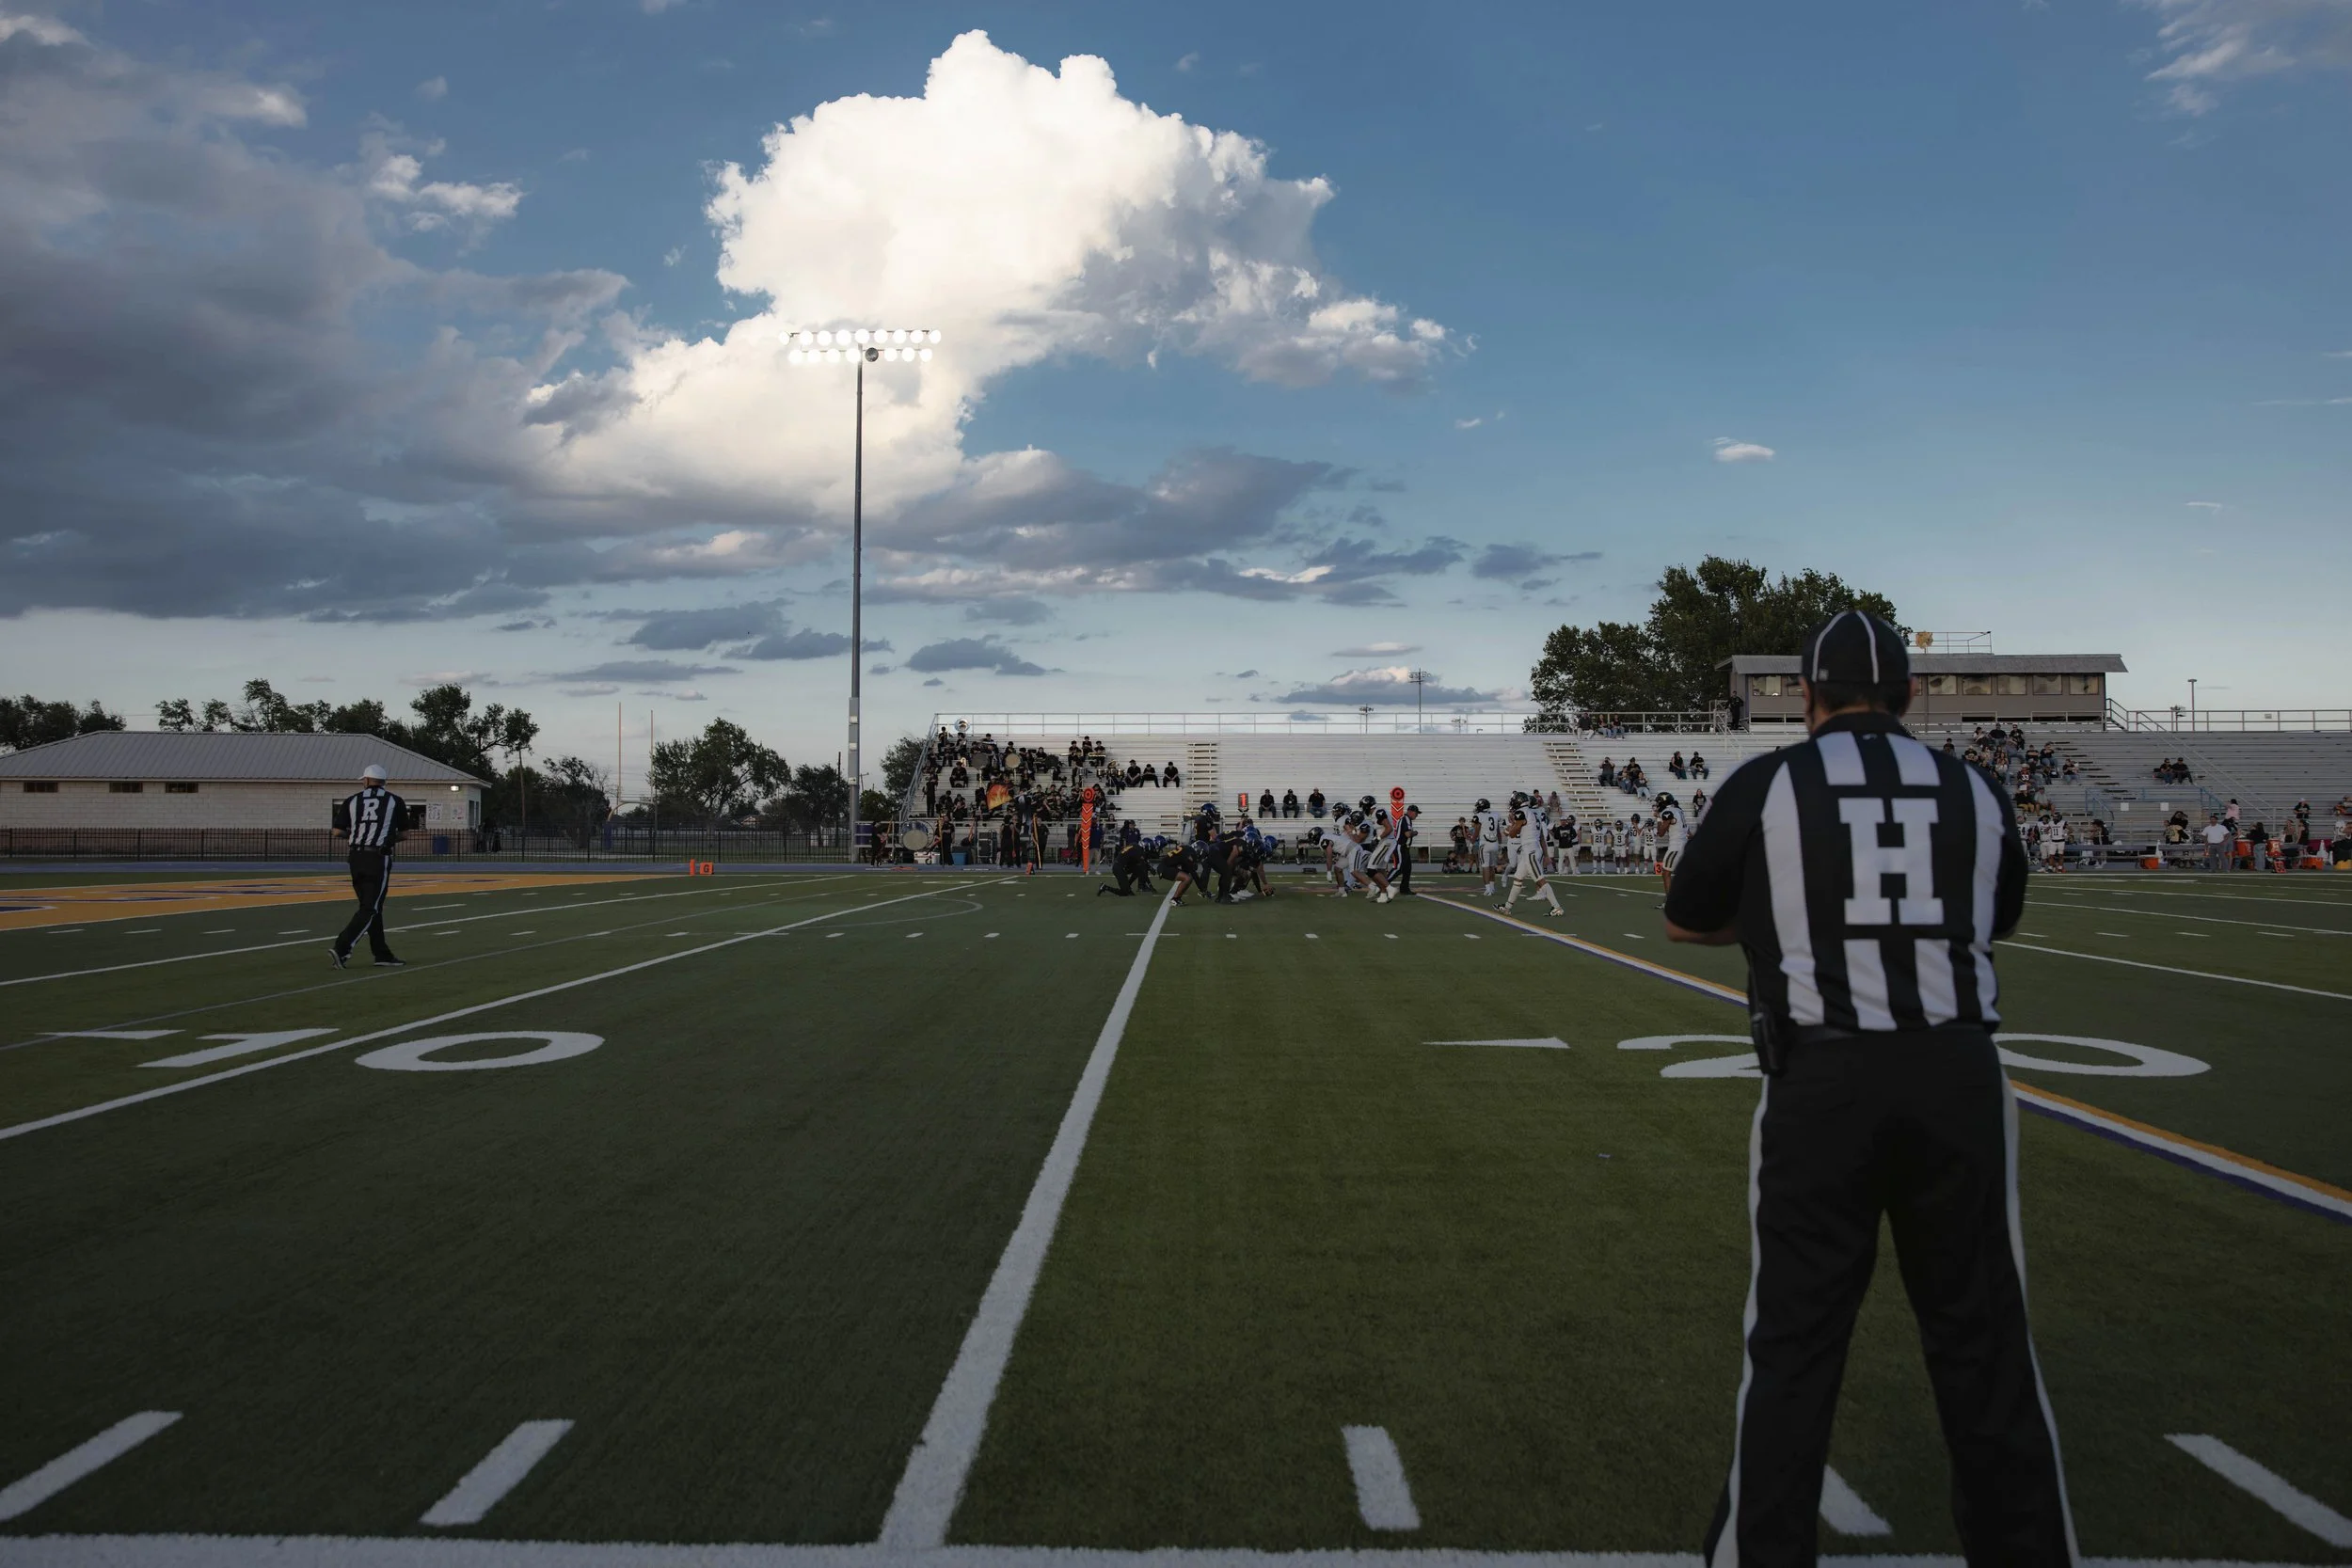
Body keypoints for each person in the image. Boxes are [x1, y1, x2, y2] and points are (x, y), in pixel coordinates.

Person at [1661, 610, 2072, 1566]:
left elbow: (1685, 917)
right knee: (1983, 1343)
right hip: (1956, 1073)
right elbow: (1995, 914)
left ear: (1806, 695)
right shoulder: (1973, 786)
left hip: (1825, 1078)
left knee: (1794, 1346)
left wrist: (1794, 917)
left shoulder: (1771, 781)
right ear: (1910, 696)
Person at [330, 764, 408, 968]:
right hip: (377, 857)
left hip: (356, 857)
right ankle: (342, 948)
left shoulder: (352, 800)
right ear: (384, 782)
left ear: (365, 781)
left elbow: (337, 831)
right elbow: (404, 834)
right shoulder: (394, 801)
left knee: (372, 907)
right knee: (371, 908)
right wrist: (387, 839)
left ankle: (382, 954)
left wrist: (355, 835)